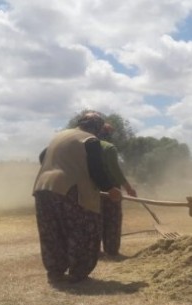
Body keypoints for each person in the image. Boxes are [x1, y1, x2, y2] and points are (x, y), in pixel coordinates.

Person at [32, 112, 122, 284]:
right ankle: (78, 273)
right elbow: (96, 169)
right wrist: (110, 188)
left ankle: (55, 272)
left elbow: (42, 157)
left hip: (43, 187)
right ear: (96, 127)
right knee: (84, 231)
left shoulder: (60, 136)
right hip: (70, 190)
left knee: (52, 232)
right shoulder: (90, 141)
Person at [98, 123, 137, 257]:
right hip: (111, 190)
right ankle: (111, 250)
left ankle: (93, 250)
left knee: (94, 218)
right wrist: (129, 188)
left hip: (90, 190)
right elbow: (115, 171)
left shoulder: (83, 146)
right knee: (112, 220)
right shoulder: (109, 148)